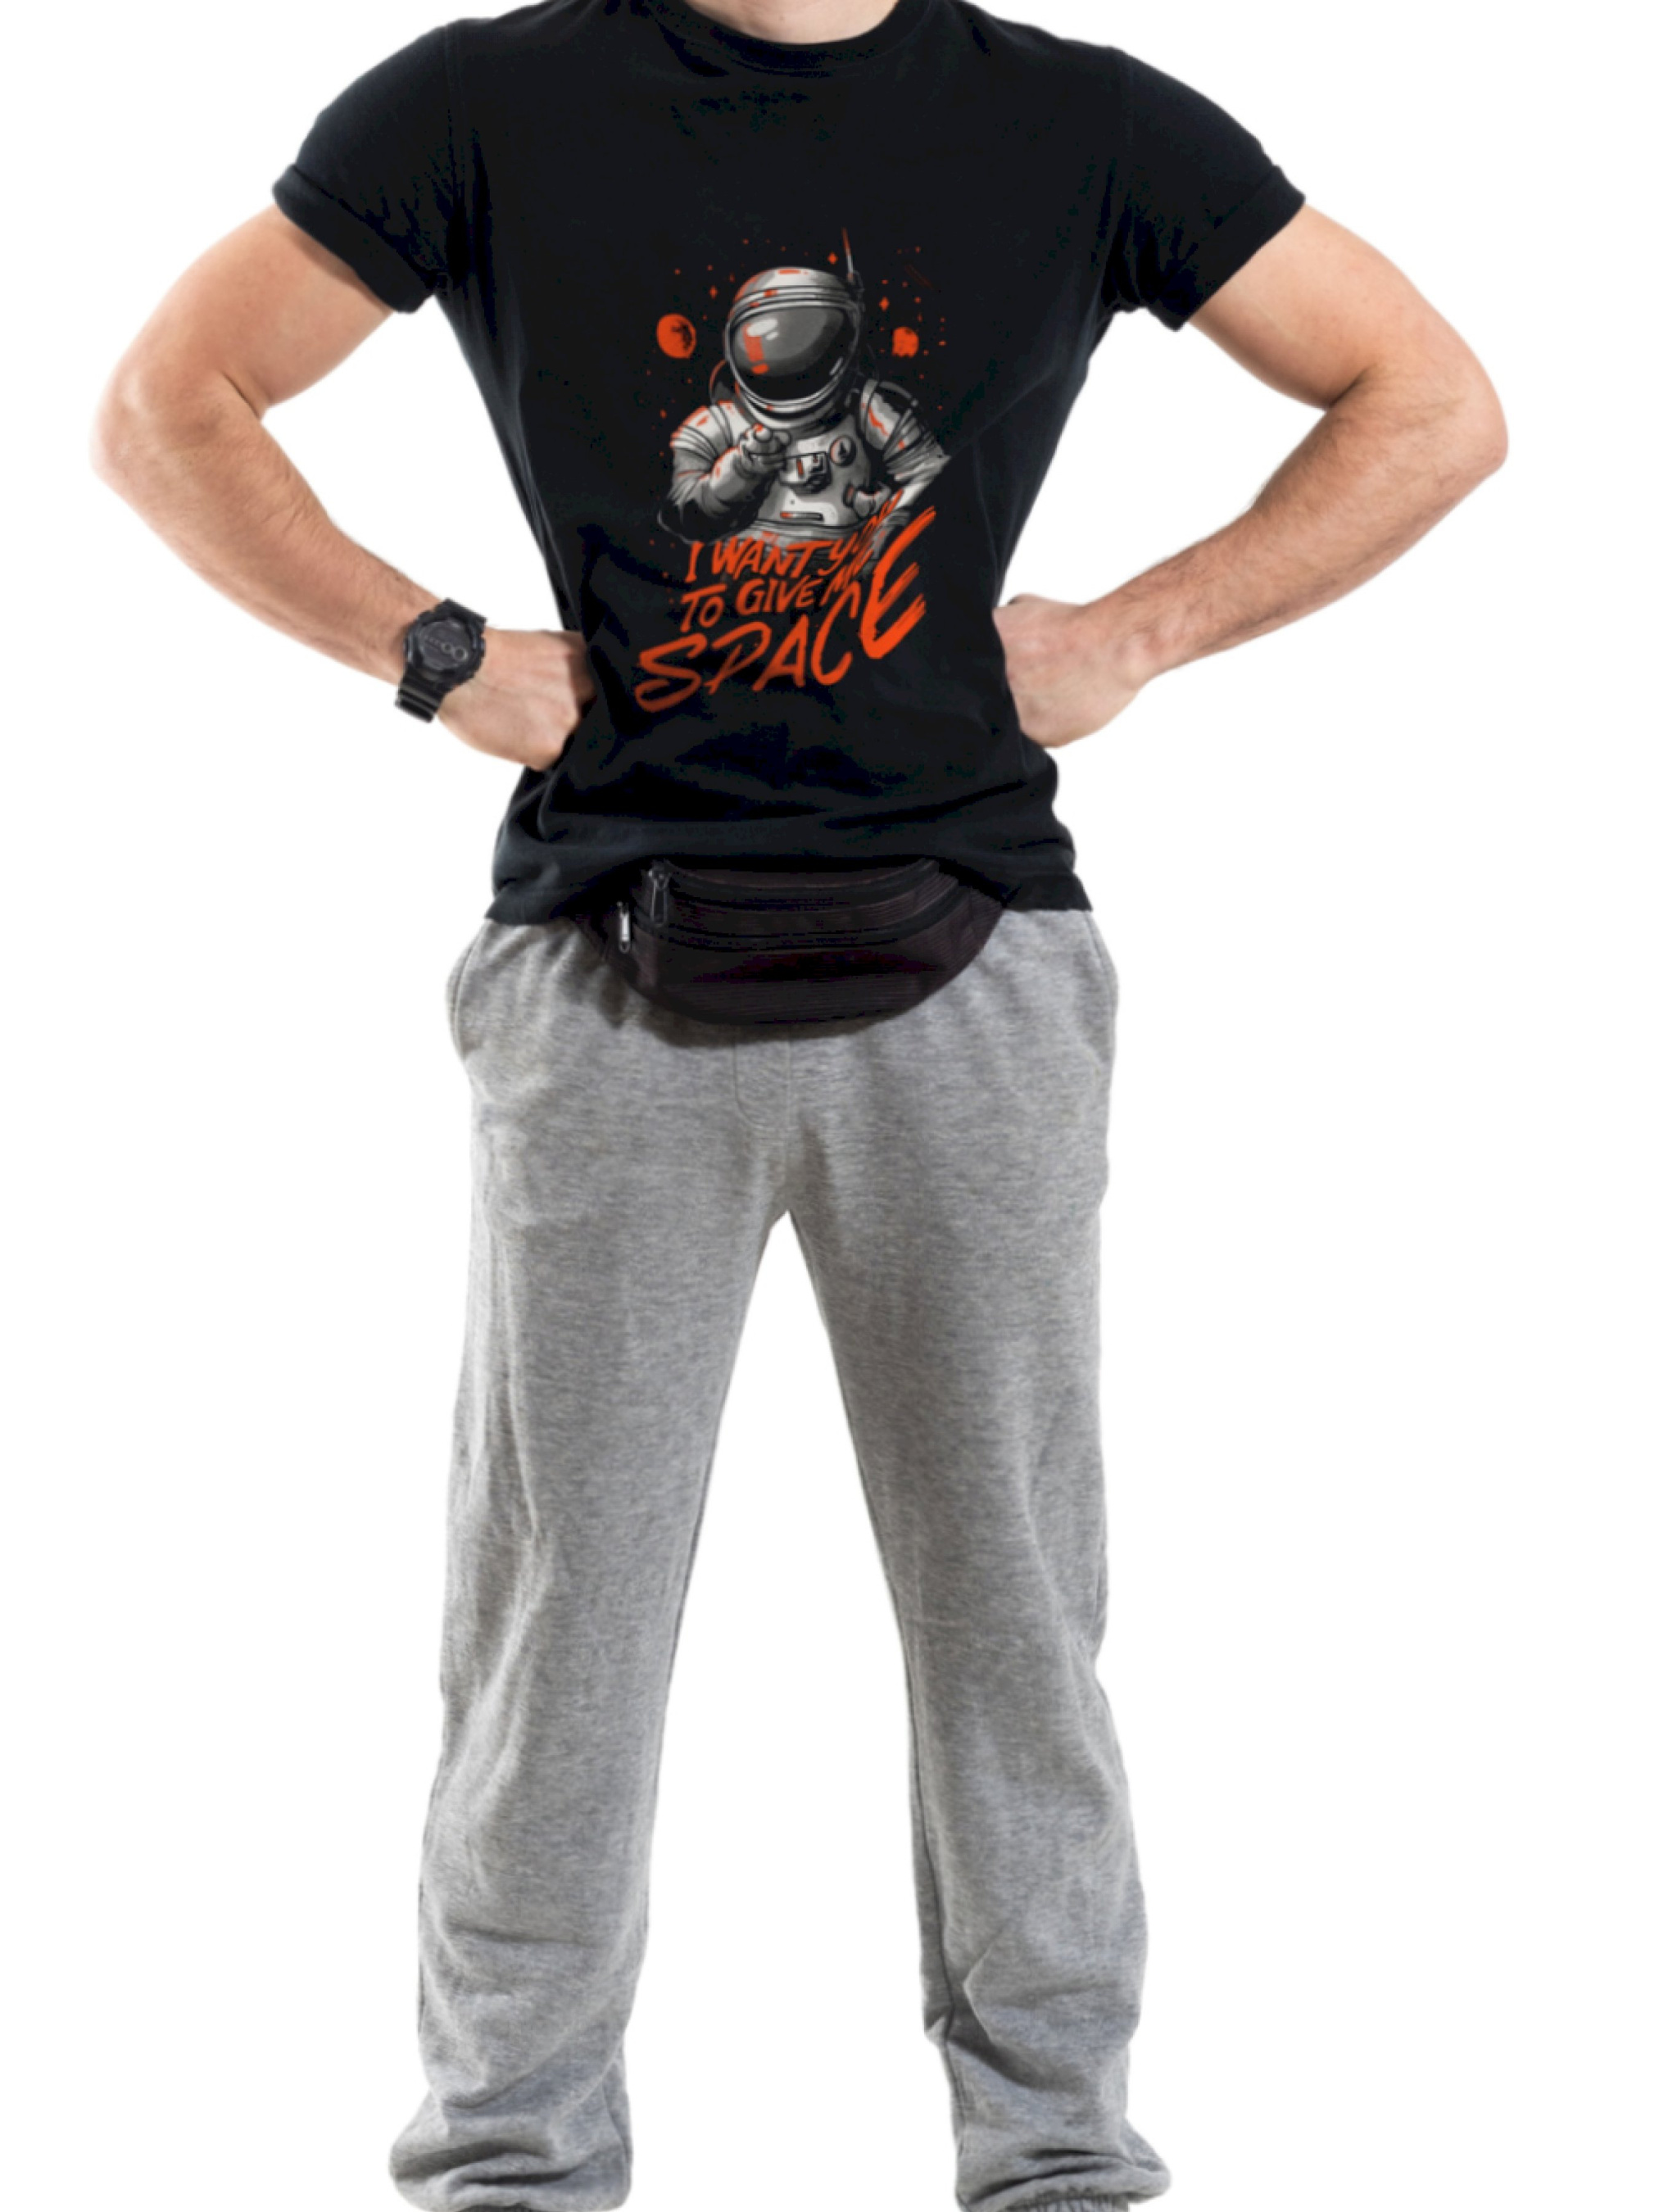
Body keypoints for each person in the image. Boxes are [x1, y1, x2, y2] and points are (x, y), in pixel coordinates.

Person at [88, 2, 1507, 2206]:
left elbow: (1429, 399)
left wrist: (1141, 630)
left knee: (1011, 1602)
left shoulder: (1083, 123)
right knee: (560, 1617)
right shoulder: (481, 102)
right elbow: (167, 404)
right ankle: (510, 2160)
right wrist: (436, 654)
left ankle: (1054, 2155)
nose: (777, 358)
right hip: (605, 961)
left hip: (977, 957)